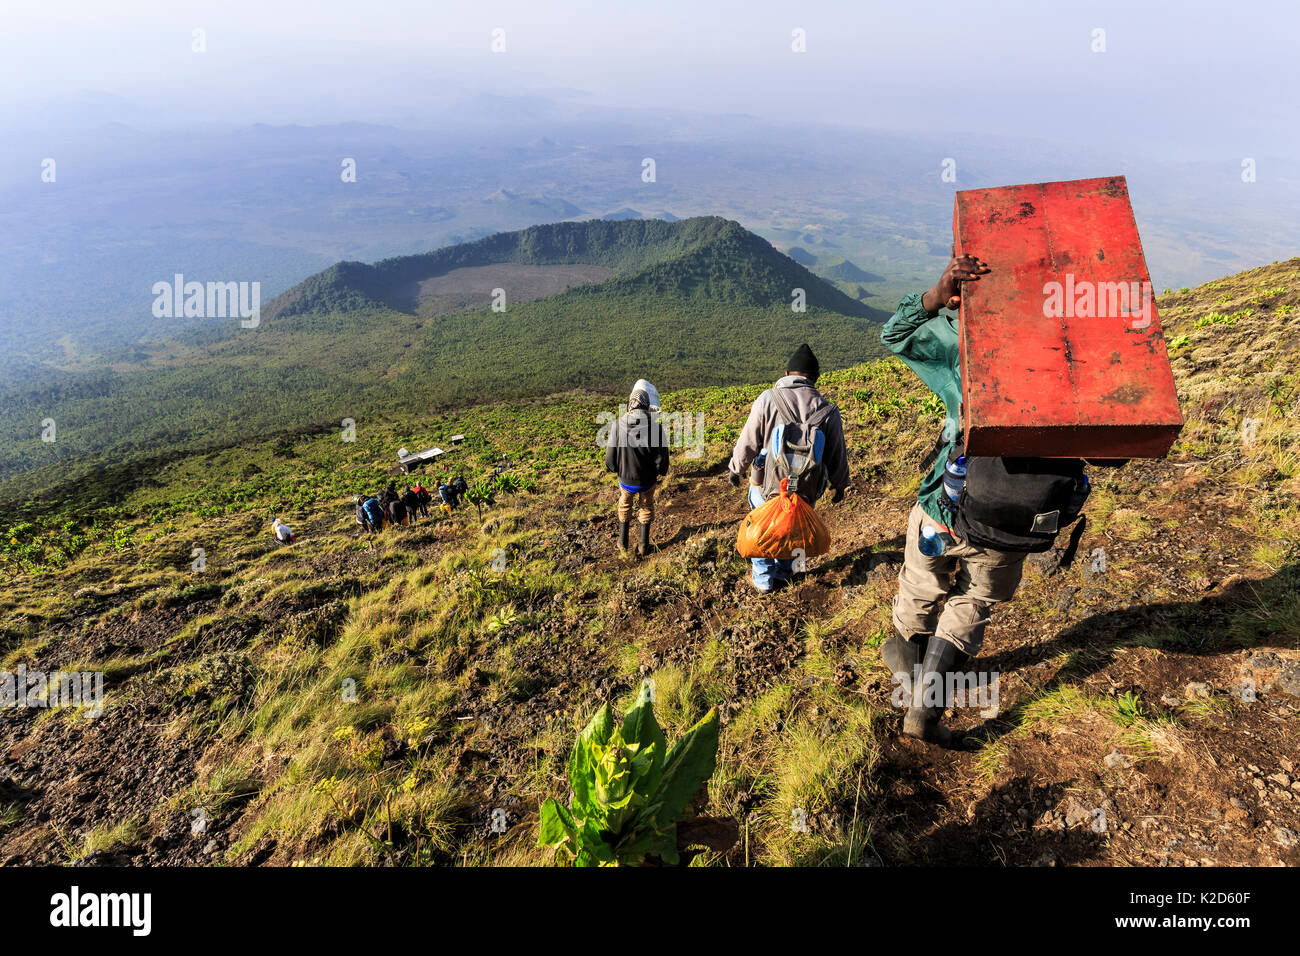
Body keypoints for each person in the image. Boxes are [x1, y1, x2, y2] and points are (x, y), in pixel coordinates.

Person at [880, 254, 1123, 745]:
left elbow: (896, 335)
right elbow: (1116, 454)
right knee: (971, 605)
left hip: (942, 509)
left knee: (919, 594)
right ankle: (925, 715)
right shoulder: (1087, 372)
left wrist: (935, 293)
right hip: (1013, 525)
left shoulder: (972, 354)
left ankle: (909, 689)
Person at [727, 344, 849, 592]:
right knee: (793, 530)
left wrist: (736, 468)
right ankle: (785, 574)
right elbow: (836, 454)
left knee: (761, 529)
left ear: (786, 374)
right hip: (806, 489)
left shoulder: (768, 399)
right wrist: (840, 485)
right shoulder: (828, 411)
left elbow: (749, 439)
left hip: (766, 486)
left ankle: (763, 580)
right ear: (815, 378)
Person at [603, 378, 669, 555]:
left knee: (625, 505)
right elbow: (662, 461)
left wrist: (618, 469)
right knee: (646, 507)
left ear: (630, 405)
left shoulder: (617, 425)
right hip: (647, 481)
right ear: (646, 405)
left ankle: (622, 543)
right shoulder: (656, 427)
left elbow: (610, 460)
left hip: (626, 480)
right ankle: (643, 545)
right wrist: (658, 472)